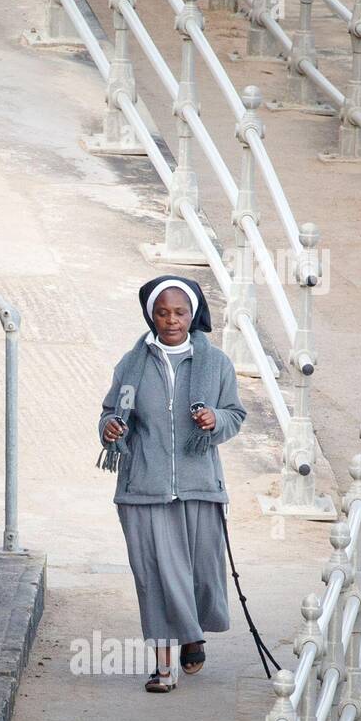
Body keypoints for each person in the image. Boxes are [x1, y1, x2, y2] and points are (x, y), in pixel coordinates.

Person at [96, 276, 247, 692]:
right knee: (156, 575)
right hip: (143, 487)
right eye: (162, 312)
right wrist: (111, 430)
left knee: (199, 575)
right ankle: (164, 666)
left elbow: (235, 413)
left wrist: (216, 419)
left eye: (180, 312)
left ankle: (192, 634)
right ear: (151, 314)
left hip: (200, 485)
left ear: (193, 313)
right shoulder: (132, 364)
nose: (171, 320)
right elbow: (111, 413)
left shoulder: (216, 364)